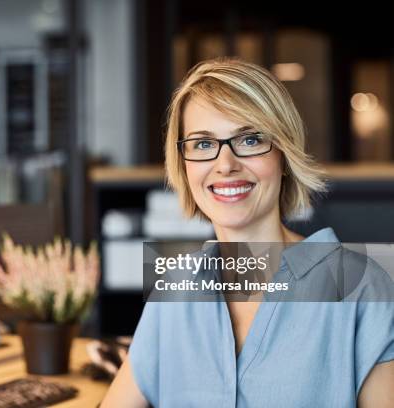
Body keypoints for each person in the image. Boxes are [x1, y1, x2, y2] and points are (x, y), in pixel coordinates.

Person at [101, 58, 394, 407]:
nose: (225, 165)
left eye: (250, 139)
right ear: (183, 163)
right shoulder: (175, 290)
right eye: (203, 144)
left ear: (283, 154)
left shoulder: (362, 286)